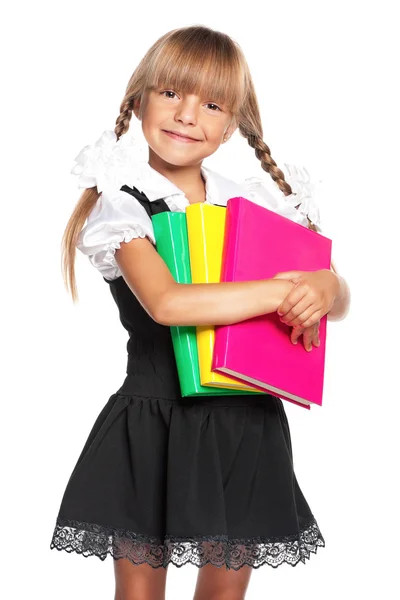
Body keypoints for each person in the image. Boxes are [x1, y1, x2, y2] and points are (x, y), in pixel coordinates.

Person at [50, 25, 350, 600]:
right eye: (170, 93)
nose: (187, 114)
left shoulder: (254, 203)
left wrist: (328, 286)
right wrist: (280, 292)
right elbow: (168, 305)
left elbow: (335, 301)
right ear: (138, 99)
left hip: (247, 424)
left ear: (230, 123)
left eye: (211, 103)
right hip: (154, 418)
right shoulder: (122, 202)